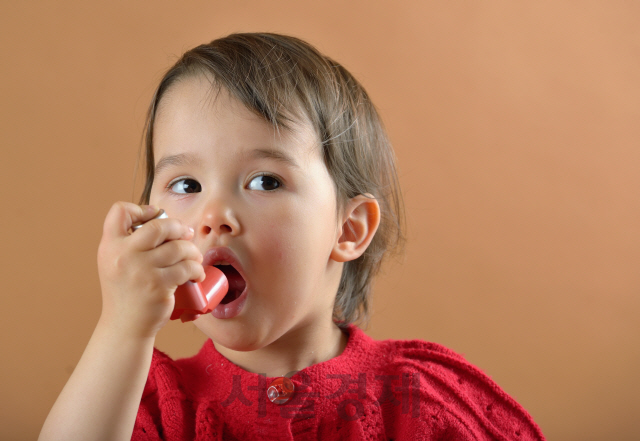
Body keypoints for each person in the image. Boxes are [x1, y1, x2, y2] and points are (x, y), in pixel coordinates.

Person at [39, 33, 545, 440]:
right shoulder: (134, 401)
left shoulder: (426, 401)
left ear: (348, 229)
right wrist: (122, 328)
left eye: (265, 181)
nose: (215, 215)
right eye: (186, 184)